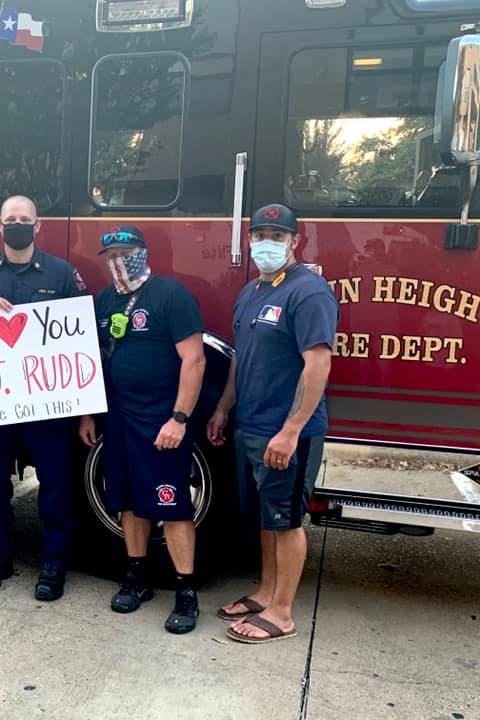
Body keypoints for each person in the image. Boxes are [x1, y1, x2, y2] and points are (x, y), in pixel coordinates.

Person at [207, 204, 338, 644]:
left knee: (287, 521)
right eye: (260, 234)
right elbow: (240, 357)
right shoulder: (251, 292)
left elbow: (317, 363)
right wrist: (225, 408)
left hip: (285, 431)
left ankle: (282, 612)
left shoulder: (309, 292)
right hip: (250, 423)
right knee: (267, 516)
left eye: (277, 236)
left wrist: (291, 429)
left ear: (294, 242)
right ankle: (265, 592)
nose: (267, 243)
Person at [0, 195, 86, 601]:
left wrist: (84, 410)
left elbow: (82, 333)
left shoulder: (63, 273)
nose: (16, 224)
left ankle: (54, 561)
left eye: (23, 219)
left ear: (38, 225)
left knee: (55, 483)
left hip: (47, 406)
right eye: (9, 219)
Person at [80, 225, 206, 633]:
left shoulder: (172, 295)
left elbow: (195, 360)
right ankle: (136, 577)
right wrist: (87, 415)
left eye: (127, 251)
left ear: (143, 253)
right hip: (117, 418)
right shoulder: (103, 301)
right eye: (111, 255)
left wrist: (180, 418)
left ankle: (185, 591)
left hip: (161, 422)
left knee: (172, 506)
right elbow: (92, 360)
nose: (119, 261)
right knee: (128, 503)